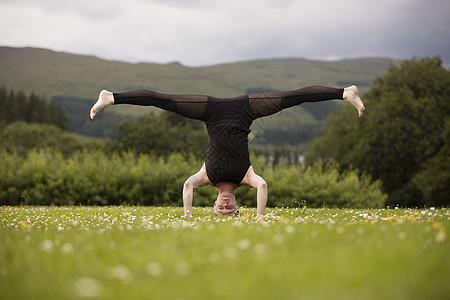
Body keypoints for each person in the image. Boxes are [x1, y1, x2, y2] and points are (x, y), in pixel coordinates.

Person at [90, 85, 365, 218]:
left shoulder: (206, 177)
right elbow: (263, 185)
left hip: (210, 111)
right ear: (236, 206)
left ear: (213, 204)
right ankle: (345, 92)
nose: (224, 205)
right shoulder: (246, 178)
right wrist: (259, 218)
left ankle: (111, 97)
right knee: (294, 98)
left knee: (163, 101)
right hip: (246, 110)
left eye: (220, 207)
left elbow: (187, 185)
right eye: (228, 208)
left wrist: (187, 216)